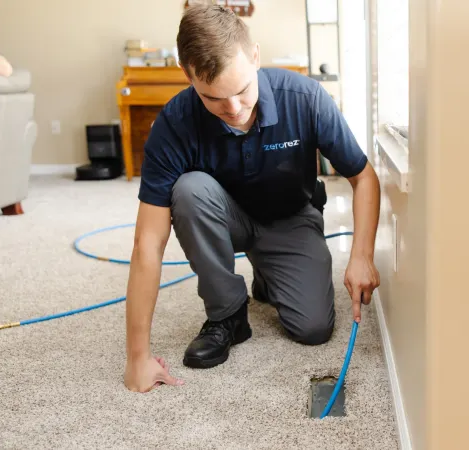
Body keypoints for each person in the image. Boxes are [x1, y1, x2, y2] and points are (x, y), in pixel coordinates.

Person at [123, 4, 381, 393]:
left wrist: (361, 255)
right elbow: (147, 244)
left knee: (313, 328)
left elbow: (363, 177)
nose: (234, 109)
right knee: (189, 190)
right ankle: (228, 314)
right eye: (213, 98)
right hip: (221, 216)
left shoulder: (305, 97)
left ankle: (267, 276)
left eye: (242, 89)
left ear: (255, 56)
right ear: (188, 76)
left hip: (290, 217)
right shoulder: (174, 123)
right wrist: (137, 358)